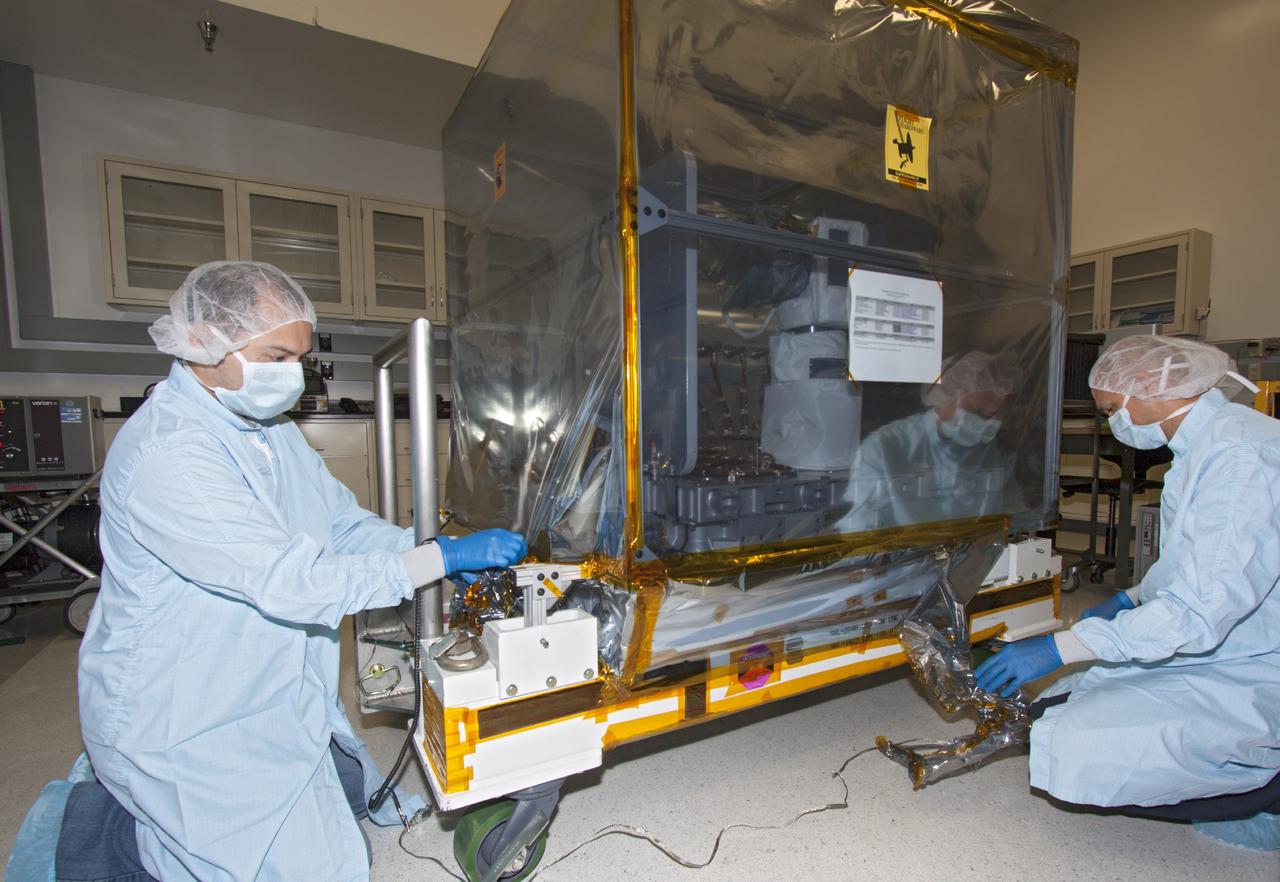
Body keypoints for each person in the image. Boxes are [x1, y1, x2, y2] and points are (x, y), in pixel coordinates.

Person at [69, 261, 526, 881]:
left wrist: (433, 555)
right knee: (329, 871)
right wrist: (439, 559)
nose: (294, 376)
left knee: (339, 818)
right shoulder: (169, 455)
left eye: (301, 359)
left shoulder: (266, 430)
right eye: (276, 356)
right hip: (181, 708)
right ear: (205, 341)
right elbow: (297, 582)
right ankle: (123, 826)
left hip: (263, 686)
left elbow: (339, 525)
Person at [975, 335, 1280, 849]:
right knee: (1051, 710)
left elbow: (1196, 614)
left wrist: (1059, 647)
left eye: (1113, 410)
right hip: (1228, 647)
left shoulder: (1241, 459)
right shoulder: (1204, 448)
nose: (1112, 424)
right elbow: (1193, 563)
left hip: (1253, 663)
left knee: (1076, 749)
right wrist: (1132, 598)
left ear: (1147, 384)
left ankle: (1266, 790)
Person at [840, 351, 1024, 532]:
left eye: (998, 417)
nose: (989, 425)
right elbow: (858, 525)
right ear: (947, 394)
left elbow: (1008, 509)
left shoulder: (989, 452)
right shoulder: (886, 446)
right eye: (979, 413)